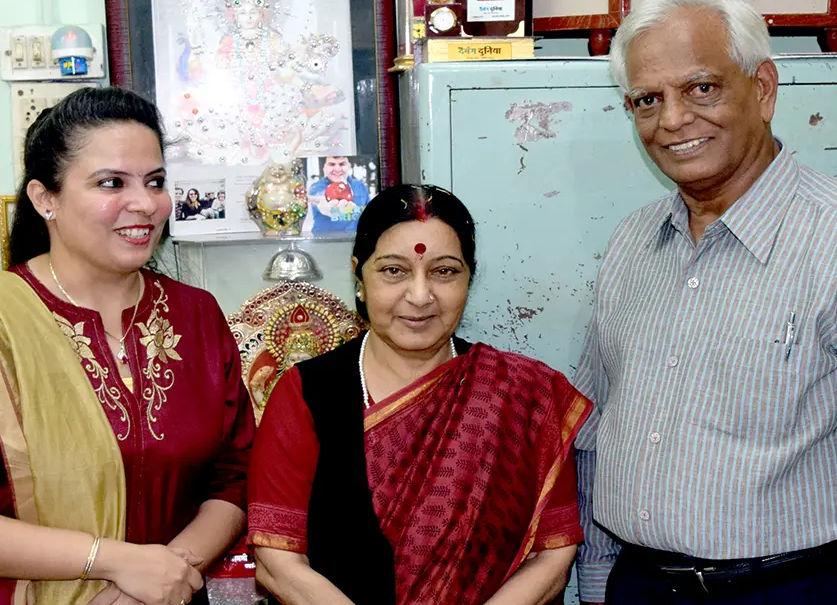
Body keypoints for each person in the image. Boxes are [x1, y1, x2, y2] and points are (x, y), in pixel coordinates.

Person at [574, 0, 837, 604]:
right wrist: (601, 582)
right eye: (647, 100)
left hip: (800, 589)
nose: (673, 120)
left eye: (701, 88)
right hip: (643, 587)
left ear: (763, 89)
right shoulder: (634, 244)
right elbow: (597, 429)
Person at [0, 86, 255, 605]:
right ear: (45, 199)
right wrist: (116, 563)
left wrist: (161, 578)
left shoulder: (195, 315)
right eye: (112, 183)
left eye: (155, 182)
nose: (146, 204)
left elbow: (235, 475)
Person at [248, 184, 590, 604]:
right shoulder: (305, 393)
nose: (420, 296)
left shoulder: (522, 395)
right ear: (359, 276)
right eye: (394, 270)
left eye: (444, 271)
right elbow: (277, 560)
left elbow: (552, 555)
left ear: (470, 277)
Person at [307, 156, 371, 235]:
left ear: (349, 165)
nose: (337, 169)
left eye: (342, 164)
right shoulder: (316, 187)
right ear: (324, 167)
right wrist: (328, 207)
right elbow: (321, 200)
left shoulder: (360, 186)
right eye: (331, 164)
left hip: (355, 241)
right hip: (325, 242)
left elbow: (370, 213)